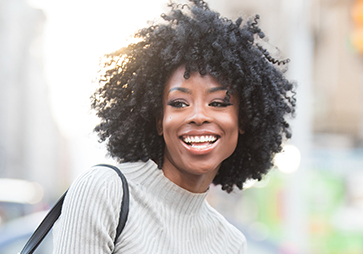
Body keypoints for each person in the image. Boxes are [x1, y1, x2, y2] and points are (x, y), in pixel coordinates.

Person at [52, 0, 296, 253]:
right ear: (159, 120)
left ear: (243, 120)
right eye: (179, 103)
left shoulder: (231, 243)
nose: (199, 116)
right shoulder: (104, 190)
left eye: (218, 102)